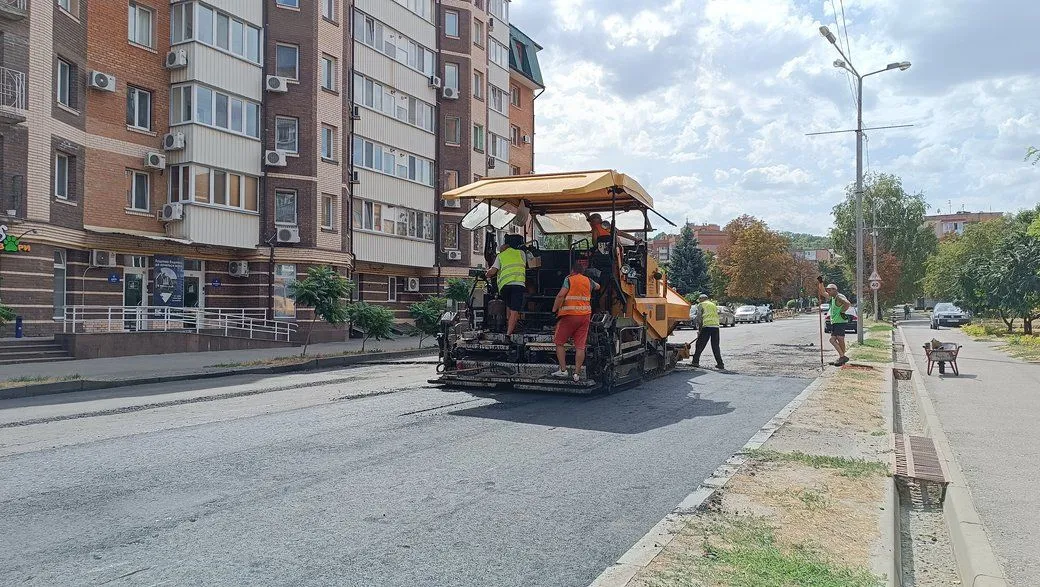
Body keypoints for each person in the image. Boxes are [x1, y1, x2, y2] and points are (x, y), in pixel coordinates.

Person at [550, 262, 601, 381]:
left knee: (559, 342)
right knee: (580, 346)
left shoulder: (569, 279)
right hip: (585, 316)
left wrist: (554, 310)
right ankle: (577, 374)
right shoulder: (588, 280)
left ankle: (563, 370)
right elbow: (598, 286)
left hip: (570, 315)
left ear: (572, 270)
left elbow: (560, 295)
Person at [485, 237, 527, 337]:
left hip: (505, 286)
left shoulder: (501, 256)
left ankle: (509, 327)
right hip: (518, 284)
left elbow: (493, 271)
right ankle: (509, 333)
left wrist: (486, 274)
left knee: (509, 306)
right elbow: (525, 264)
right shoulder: (521, 254)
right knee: (514, 310)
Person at [818, 276, 852, 366]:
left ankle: (842, 357)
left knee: (837, 340)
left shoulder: (839, 297)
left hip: (839, 322)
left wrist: (842, 311)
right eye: (828, 290)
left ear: (834, 290)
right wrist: (821, 282)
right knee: (836, 340)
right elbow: (822, 292)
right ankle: (842, 357)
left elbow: (847, 303)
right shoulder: (833, 297)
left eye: (829, 290)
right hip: (836, 322)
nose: (828, 292)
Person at [691, 294, 725, 370]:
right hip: (715, 327)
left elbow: (699, 317)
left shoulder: (701, 305)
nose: (699, 301)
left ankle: (695, 362)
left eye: (699, 299)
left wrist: (699, 329)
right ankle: (720, 364)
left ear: (701, 299)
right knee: (715, 346)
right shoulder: (713, 304)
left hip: (707, 326)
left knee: (700, 344)